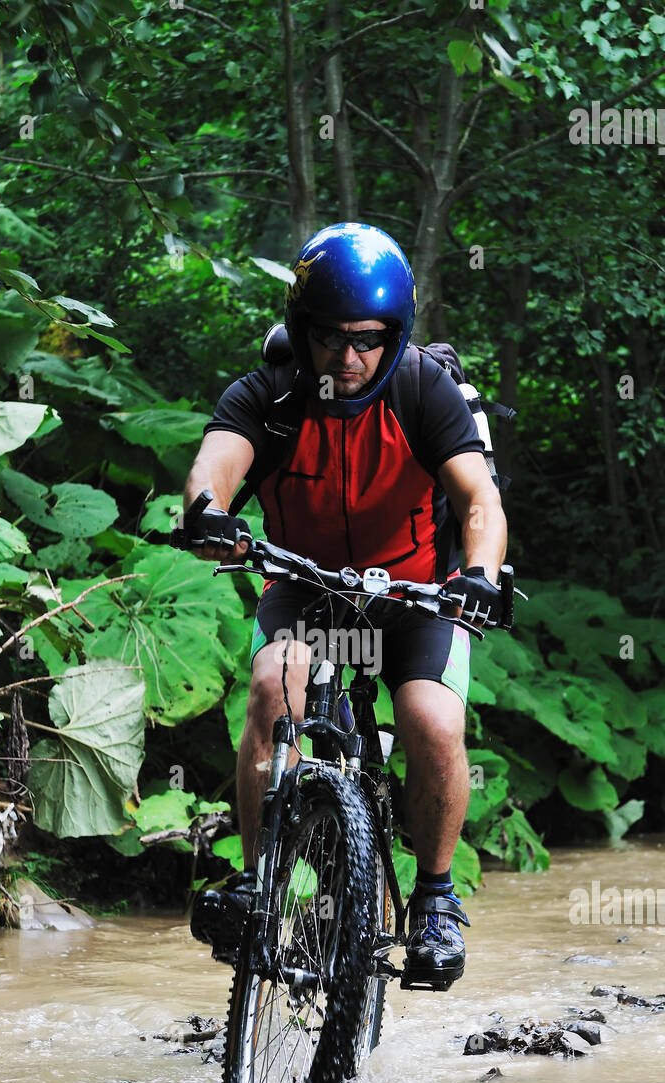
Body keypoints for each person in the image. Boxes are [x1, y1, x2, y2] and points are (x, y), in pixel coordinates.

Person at [177, 222, 507, 988]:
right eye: (329, 338)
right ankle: (259, 887)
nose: (348, 357)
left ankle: (432, 901)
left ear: (393, 336)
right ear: (302, 333)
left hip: (415, 595)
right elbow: (215, 466)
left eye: (367, 339)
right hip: (306, 589)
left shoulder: (423, 390)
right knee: (270, 690)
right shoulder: (269, 396)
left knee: (429, 720)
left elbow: (475, 495)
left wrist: (481, 573)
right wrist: (206, 512)